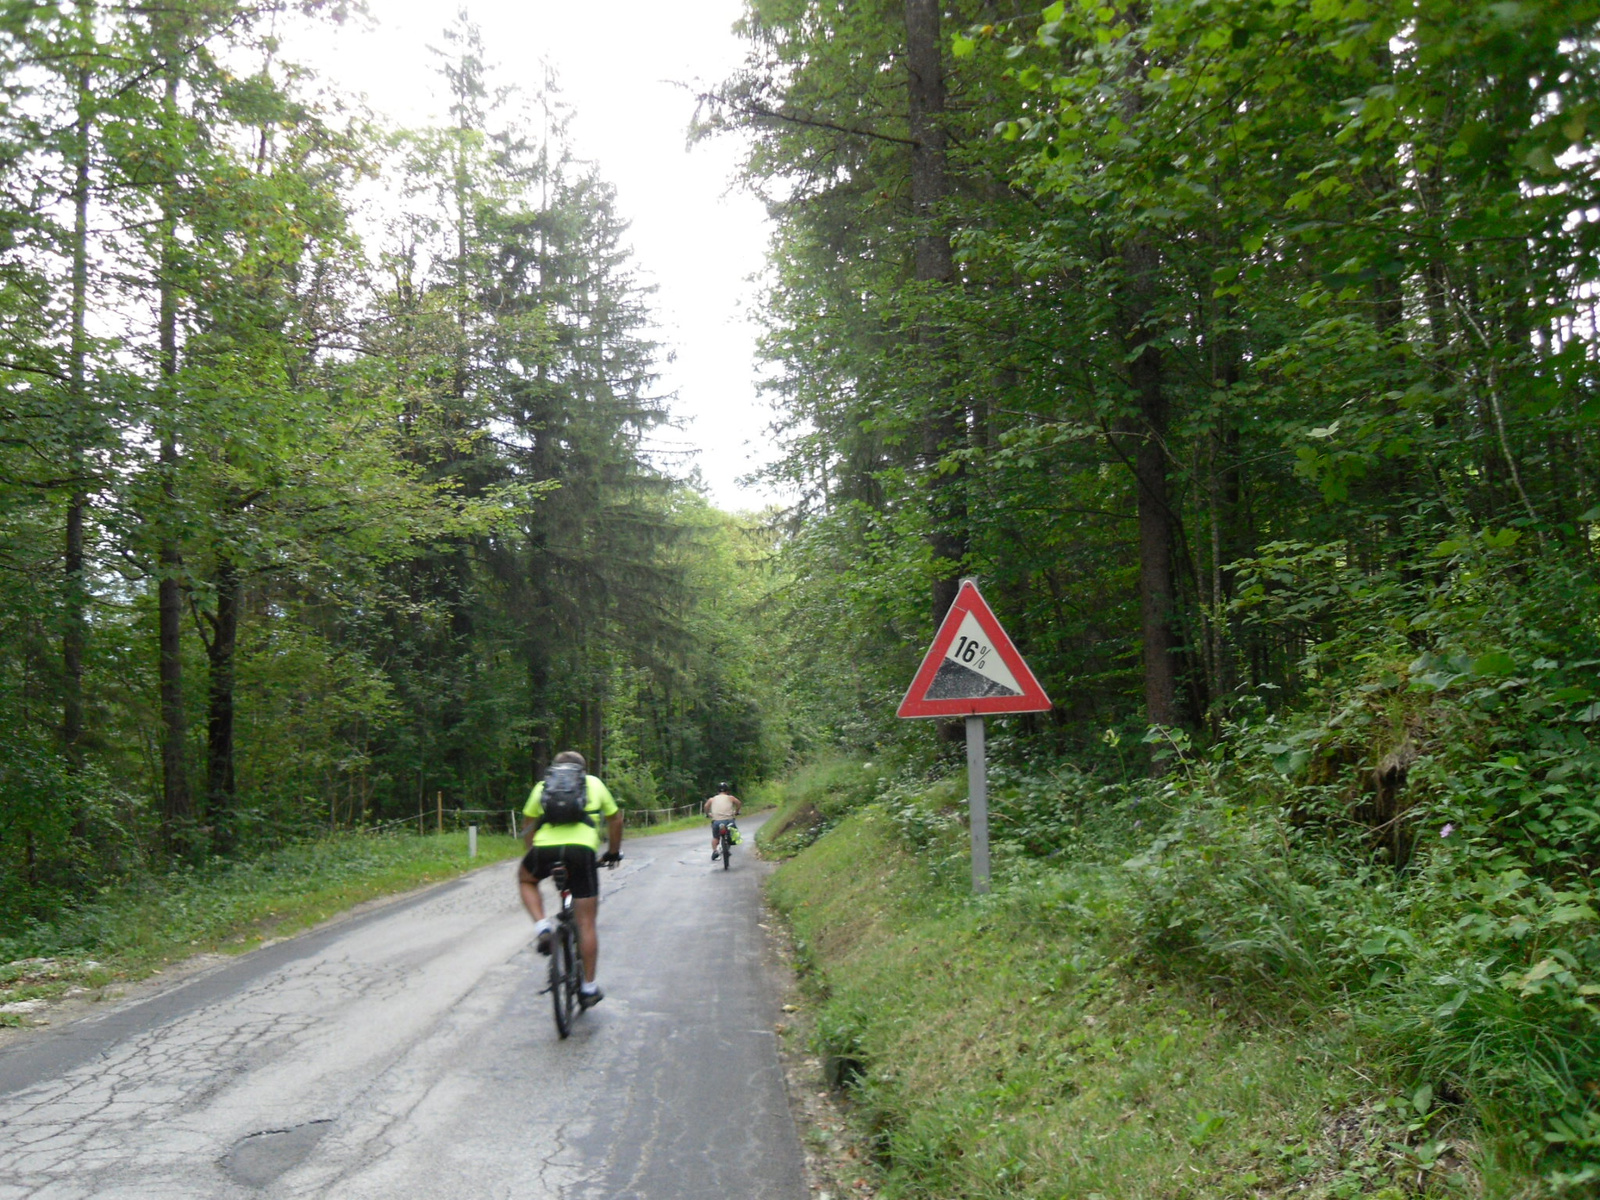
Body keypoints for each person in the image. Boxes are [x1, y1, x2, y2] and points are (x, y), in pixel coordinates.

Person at [517, 750, 623, 1008]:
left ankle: (542, 926)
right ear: (582, 770)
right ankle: (588, 988)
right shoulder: (594, 784)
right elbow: (615, 819)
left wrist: (533, 853)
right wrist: (612, 852)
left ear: (555, 769)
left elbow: (528, 824)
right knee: (586, 923)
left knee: (526, 879)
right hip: (581, 851)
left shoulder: (543, 786)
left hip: (545, 849)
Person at [704, 782, 742, 861]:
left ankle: (715, 851)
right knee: (733, 832)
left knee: (715, 837)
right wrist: (737, 811)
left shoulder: (712, 799)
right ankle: (732, 840)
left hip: (717, 821)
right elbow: (739, 803)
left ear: (717, 791)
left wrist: (708, 814)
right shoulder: (730, 798)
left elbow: (706, 806)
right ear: (727, 791)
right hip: (729, 820)